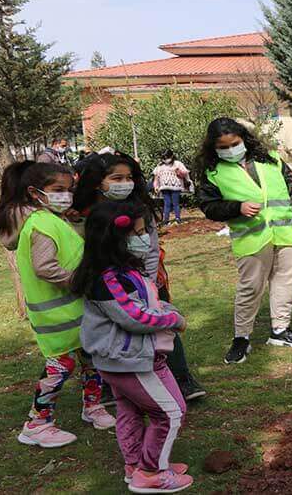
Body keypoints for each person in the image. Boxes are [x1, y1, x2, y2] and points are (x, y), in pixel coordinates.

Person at [72, 201, 193, 493]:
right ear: (114, 239)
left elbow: (143, 302)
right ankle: (150, 473)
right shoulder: (108, 278)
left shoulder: (123, 271)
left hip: (124, 360)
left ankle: (137, 465)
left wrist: (163, 305)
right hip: (130, 360)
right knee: (171, 412)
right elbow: (133, 316)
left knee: (130, 411)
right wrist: (172, 318)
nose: (145, 239)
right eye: (138, 233)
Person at [0, 161, 115, 448]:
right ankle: (36, 423)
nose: (65, 195)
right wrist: (81, 282)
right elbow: (46, 268)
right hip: (57, 315)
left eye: (68, 189)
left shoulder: (52, 218)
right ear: (35, 192)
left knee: (91, 360)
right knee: (60, 366)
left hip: (75, 311)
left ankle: (93, 407)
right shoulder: (40, 223)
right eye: (57, 190)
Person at [72, 153, 206, 401]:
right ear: (97, 182)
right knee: (111, 329)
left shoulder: (140, 209)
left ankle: (180, 377)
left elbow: (151, 247)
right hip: (108, 284)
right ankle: (110, 383)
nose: (125, 182)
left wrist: (148, 281)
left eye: (129, 177)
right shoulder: (82, 215)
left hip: (147, 280)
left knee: (159, 326)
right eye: (116, 178)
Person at [196, 117, 292, 364]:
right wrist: (236, 207)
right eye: (223, 146)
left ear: (244, 139)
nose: (230, 149)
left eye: (235, 143)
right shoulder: (213, 172)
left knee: (286, 282)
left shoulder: (271, 158)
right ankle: (241, 337)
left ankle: (280, 331)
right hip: (251, 239)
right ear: (213, 147)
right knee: (250, 288)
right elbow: (209, 207)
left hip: (284, 233)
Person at [153, 149, 193, 226]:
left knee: (175, 203)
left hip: (176, 187)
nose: (166, 160)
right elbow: (156, 178)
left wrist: (179, 172)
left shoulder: (178, 164)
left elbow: (185, 174)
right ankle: (166, 220)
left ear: (171, 156)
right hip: (164, 187)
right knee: (167, 203)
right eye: (163, 158)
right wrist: (156, 186)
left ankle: (178, 218)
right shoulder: (160, 166)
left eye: (167, 157)